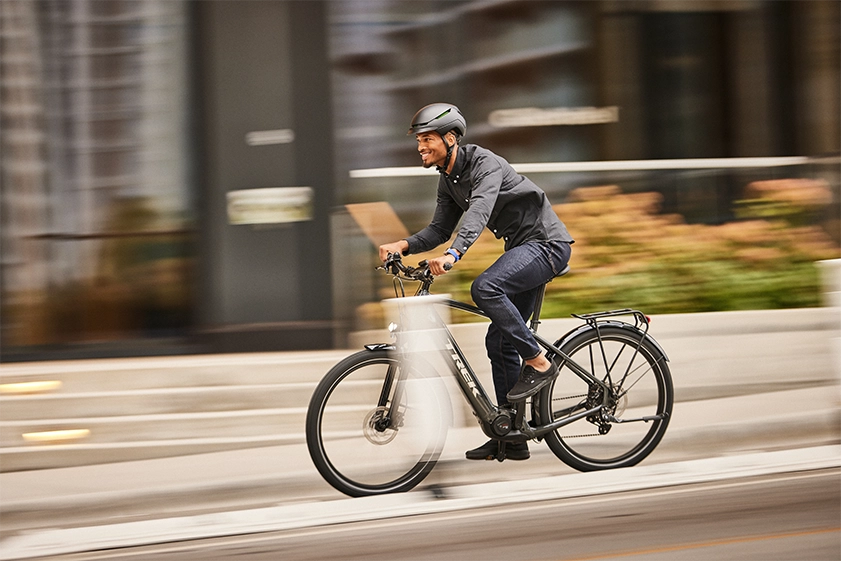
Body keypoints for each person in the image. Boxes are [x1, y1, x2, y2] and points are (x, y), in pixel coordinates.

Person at [378, 103, 574, 461]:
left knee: (485, 288)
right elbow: (439, 229)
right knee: (498, 343)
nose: (420, 147)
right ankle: (512, 438)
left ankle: (538, 362)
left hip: (546, 245)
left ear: (450, 139)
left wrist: (453, 255)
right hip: (522, 248)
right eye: (418, 141)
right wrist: (403, 246)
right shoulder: (448, 180)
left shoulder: (485, 164)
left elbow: (479, 211)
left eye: (427, 139)